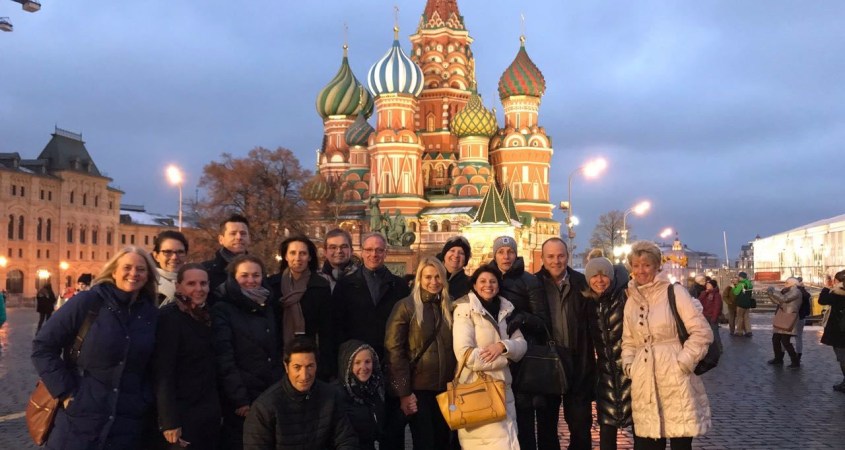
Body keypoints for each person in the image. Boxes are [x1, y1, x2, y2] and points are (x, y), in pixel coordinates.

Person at [31, 247, 160, 450]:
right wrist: (66, 392)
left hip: (127, 422)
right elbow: (43, 346)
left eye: (141, 269)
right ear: (114, 272)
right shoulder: (87, 302)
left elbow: (155, 365)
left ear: (148, 276)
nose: (134, 273)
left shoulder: (150, 314)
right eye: (127, 267)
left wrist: (143, 399)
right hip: (79, 418)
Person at [621, 241, 712, 450]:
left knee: (680, 442)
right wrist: (630, 365)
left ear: (657, 266)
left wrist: (684, 362)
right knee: (647, 444)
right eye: (636, 265)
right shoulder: (631, 301)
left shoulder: (675, 292)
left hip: (676, 380)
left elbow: (701, 332)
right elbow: (628, 340)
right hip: (644, 381)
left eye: (646, 265)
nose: (641, 271)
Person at [332, 231, 410, 449]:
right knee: (359, 427)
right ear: (361, 252)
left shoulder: (399, 285)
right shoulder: (346, 285)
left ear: (385, 253)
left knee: (393, 427)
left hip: (390, 364)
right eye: (369, 250)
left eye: (378, 250)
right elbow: (337, 326)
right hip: (358, 366)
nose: (373, 254)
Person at [486, 235, 551, 450]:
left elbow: (542, 321)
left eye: (510, 252)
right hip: (494, 359)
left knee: (523, 421)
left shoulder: (529, 281)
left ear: (516, 254)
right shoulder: (488, 278)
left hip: (522, 361)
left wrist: (522, 318)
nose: (506, 256)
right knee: (497, 421)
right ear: (495, 255)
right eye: (501, 252)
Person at [384, 257, 457, 450]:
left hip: (447, 389)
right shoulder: (405, 307)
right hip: (418, 389)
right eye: (428, 277)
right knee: (425, 442)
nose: (433, 282)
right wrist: (403, 393)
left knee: (444, 441)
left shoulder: (451, 306)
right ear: (419, 279)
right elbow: (394, 352)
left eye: (438, 277)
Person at [212, 254, 283, 450]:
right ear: (234, 277)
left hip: (269, 390)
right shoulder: (223, 308)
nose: (251, 280)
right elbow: (224, 358)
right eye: (244, 275)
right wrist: (239, 398)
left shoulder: (268, 305)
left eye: (256, 275)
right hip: (242, 398)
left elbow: (275, 349)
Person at [452, 265, 527, 449]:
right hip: (478, 392)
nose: (488, 285)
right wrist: (506, 358)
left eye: (493, 281)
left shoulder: (506, 309)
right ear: (474, 285)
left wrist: (503, 346)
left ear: (498, 286)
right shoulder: (464, 309)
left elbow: (521, 344)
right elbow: (465, 354)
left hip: (504, 392)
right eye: (483, 281)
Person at [243, 337, 358, 450]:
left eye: (310, 366)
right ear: (286, 367)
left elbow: (346, 440)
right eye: (297, 367)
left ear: (316, 365)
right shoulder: (264, 408)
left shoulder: (330, 396)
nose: (304, 375)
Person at [534, 237, 595, 450]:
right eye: (550, 256)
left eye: (560, 256)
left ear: (567, 256)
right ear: (542, 258)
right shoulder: (533, 284)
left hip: (578, 363)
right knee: (546, 427)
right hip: (546, 365)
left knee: (580, 426)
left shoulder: (582, 282)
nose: (556, 261)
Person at [153, 263, 221, 449]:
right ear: (178, 286)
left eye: (203, 283)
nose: (199, 289)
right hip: (182, 413)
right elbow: (163, 373)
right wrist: (169, 421)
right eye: (191, 284)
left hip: (209, 412)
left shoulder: (210, 315)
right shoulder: (169, 318)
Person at [268, 236, 335, 380]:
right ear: (285, 256)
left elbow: (327, 330)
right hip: (278, 355)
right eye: (293, 253)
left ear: (309, 257)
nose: (297, 258)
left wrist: (325, 366)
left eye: (303, 253)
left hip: (309, 356)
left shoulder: (320, 286)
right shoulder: (273, 285)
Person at [583, 257, 631, 450]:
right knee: (606, 428)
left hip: (630, 373)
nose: (599, 280)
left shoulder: (625, 296)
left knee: (641, 427)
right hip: (605, 376)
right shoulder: (590, 302)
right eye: (594, 276)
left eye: (604, 275)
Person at [336, 339, 385, 450]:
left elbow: (384, 428)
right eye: (357, 363)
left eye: (367, 362)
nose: (364, 368)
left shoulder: (375, 388)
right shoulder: (337, 394)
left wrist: (404, 411)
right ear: (348, 365)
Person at [203, 214, 251, 293]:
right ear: (221, 239)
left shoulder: (257, 270)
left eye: (243, 233)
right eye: (233, 233)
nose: (239, 237)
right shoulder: (205, 270)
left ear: (249, 238)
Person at [765, 277, 802, 368]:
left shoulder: (796, 291)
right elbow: (778, 301)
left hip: (789, 318)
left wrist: (773, 291)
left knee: (785, 341)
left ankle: (795, 361)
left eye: (787, 282)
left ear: (793, 284)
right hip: (782, 316)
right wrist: (770, 294)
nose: (785, 284)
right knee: (775, 338)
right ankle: (778, 358)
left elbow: (784, 299)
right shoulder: (787, 291)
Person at [819, 270, 845, 392]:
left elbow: (822, 300)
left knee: (842, 357)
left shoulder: (838, 293)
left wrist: (826, 287)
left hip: (839, 331)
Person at [152, 230, 189, 306]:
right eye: (167, 252)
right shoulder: (146, 286)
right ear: (156, 256)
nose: (174, 257)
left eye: (180, 252)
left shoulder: (196, 284)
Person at [699, 279, 723, 352]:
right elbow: (699, 300)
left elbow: (717, 307)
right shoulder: (705, 293)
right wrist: (704, 293)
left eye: (709, 285)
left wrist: (714, 317)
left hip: (712, 316)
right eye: (707, 284)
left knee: (715, 333)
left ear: (713, 286)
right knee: (706, 333)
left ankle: (719, 348)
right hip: (705, 315)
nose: (707, 286)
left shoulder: (716, 295)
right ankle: (709, 348)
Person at [795, 277, 812, 364]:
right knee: (798, 337)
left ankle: (782, 356)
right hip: (801, 317)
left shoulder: (795, 293)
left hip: (794, 316)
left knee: (785, 337)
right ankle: (798, 355)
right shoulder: (805, 293)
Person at [732, 272, 754, 337]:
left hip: (741, 303)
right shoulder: (749, 284)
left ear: (741, 277)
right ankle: (748, 331)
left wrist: (733, 287)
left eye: (739, 277)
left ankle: (739, 331)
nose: (738, 278)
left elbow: (736, 292)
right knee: (746, 318)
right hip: (747, 303)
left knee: (740, 318)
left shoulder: (741, 284)